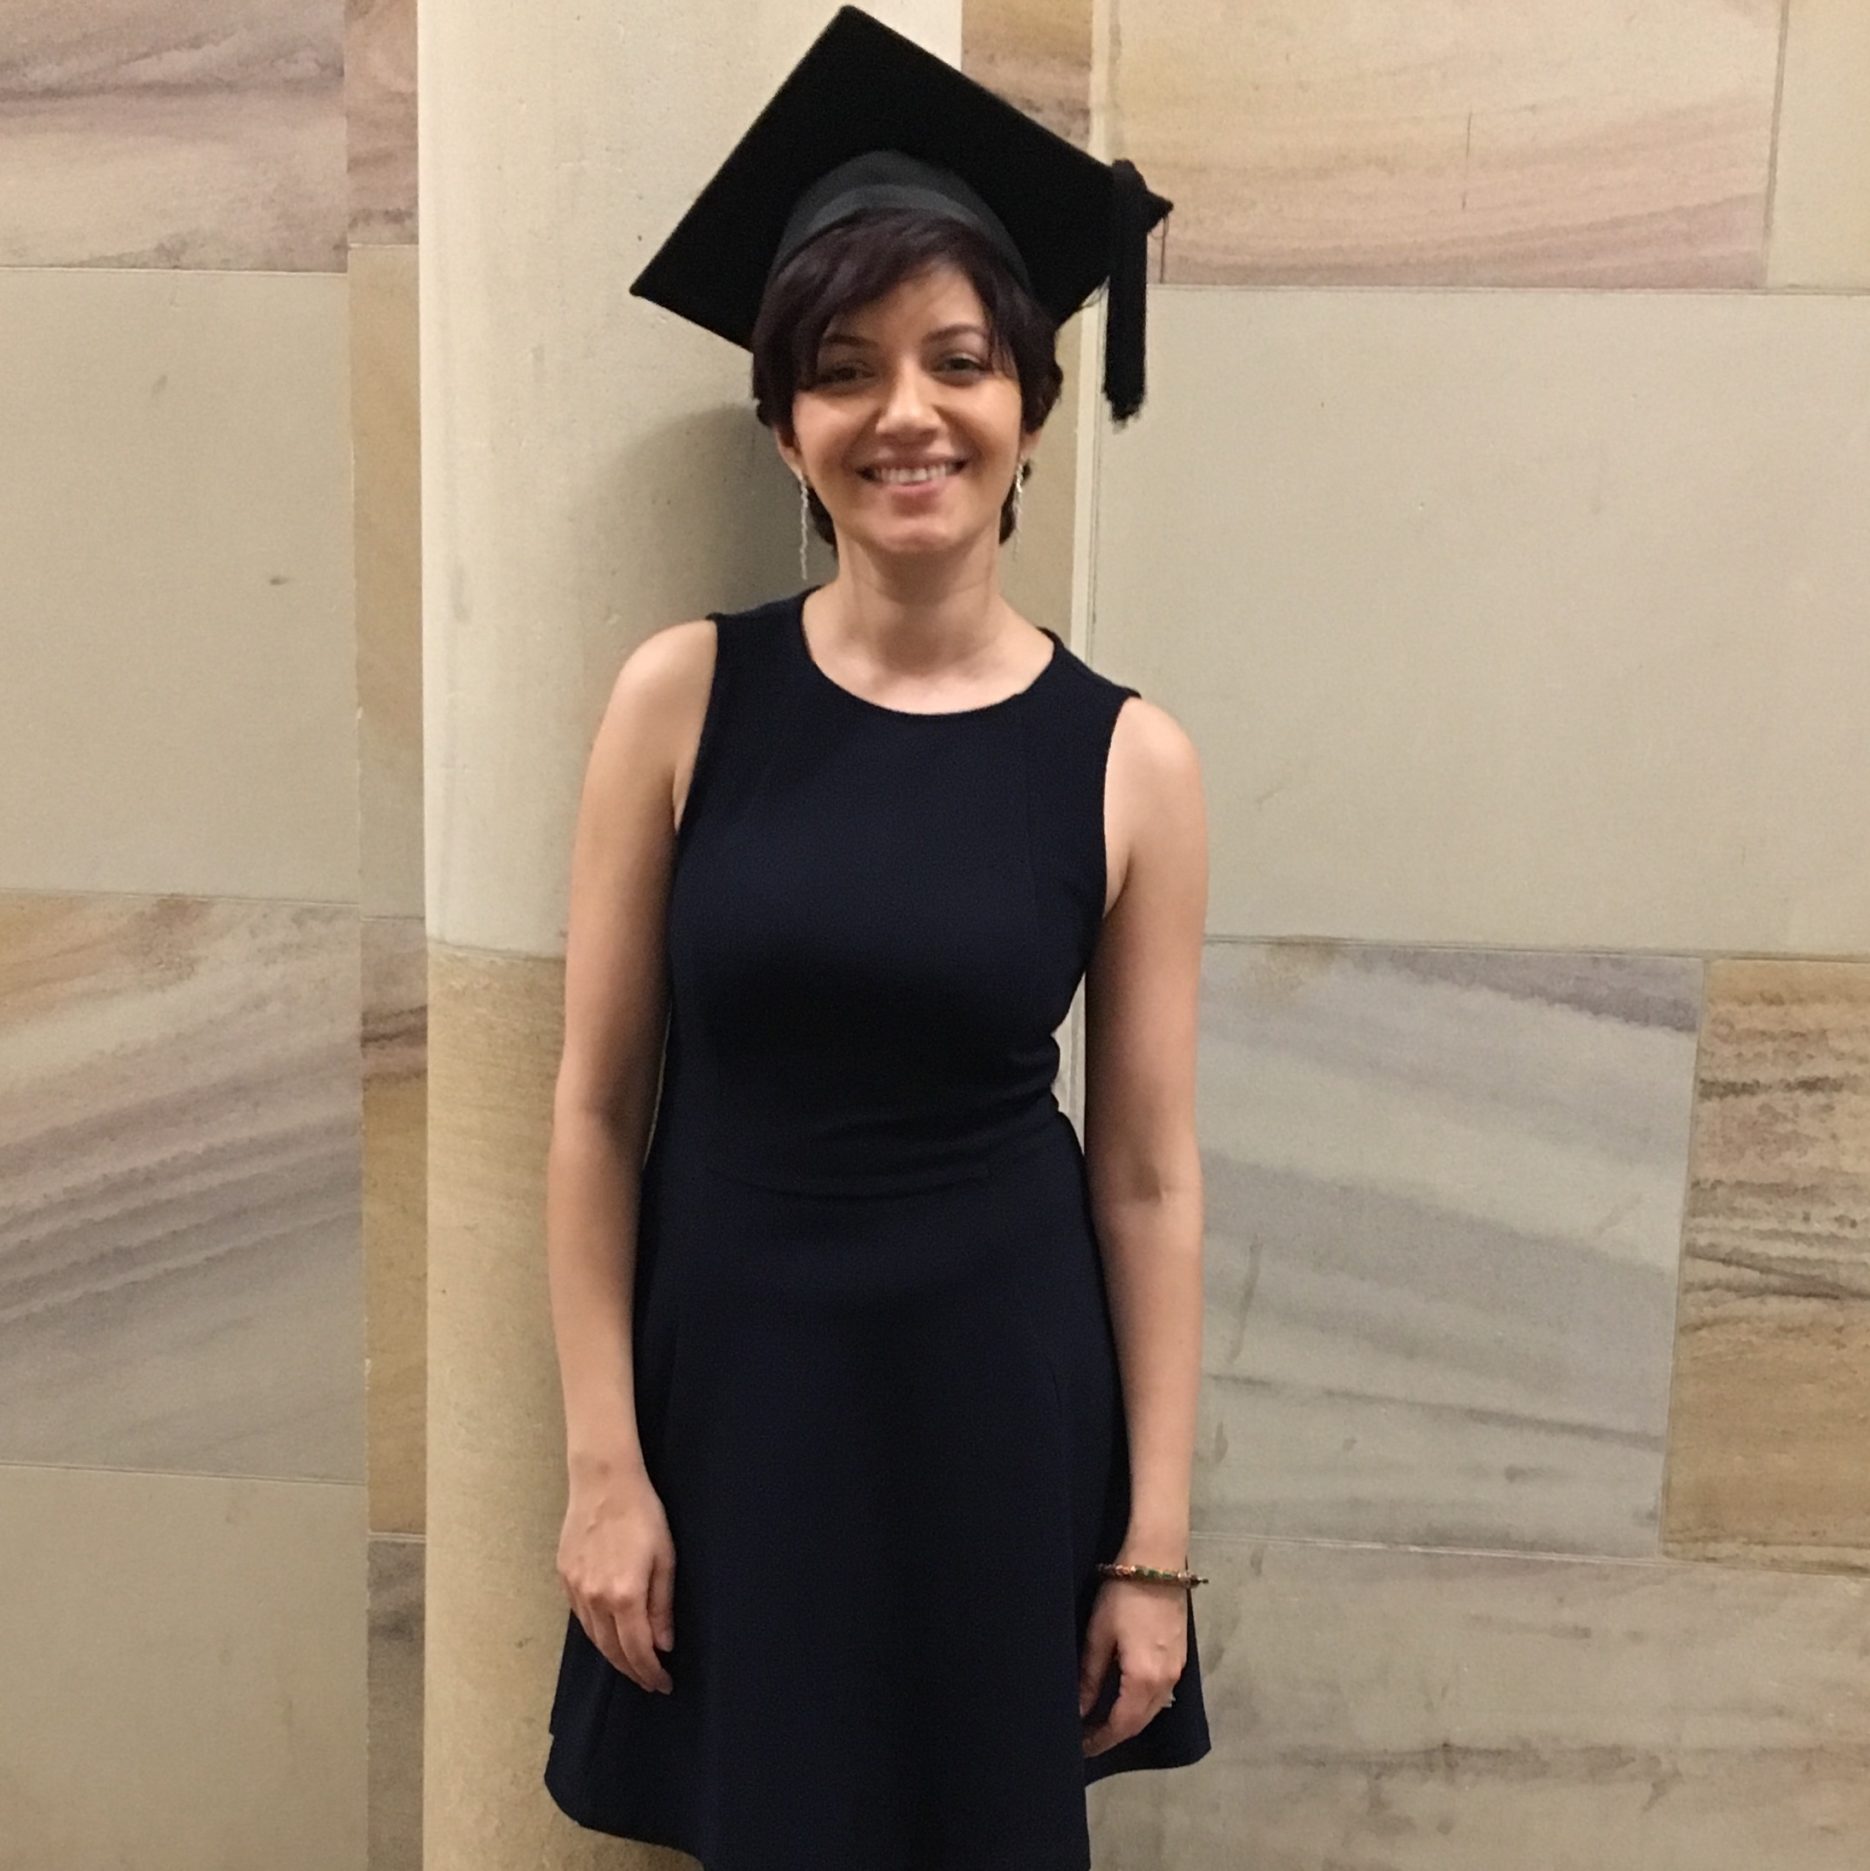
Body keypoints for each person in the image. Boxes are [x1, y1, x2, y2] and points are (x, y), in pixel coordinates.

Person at [541, 8, 1211, 1865]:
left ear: (1027, 410)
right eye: (842, 371)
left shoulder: (1132, 761)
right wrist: (603, 1467)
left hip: (995, 1404)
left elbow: (1148, 1176)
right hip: (736, 1400)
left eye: (957, 360)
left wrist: (1151, 1547)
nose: (905, 412)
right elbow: (593, 1109)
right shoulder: (682, 697)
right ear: (785, 427)